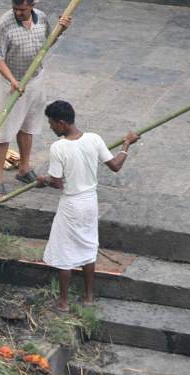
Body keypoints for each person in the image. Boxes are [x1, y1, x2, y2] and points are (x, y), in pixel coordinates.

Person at [37, 100, 140, 312]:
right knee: (88, 246)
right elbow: (115, 166)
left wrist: (44, 180)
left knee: (64, 252)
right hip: (91, 202)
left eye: (52, 123)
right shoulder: (94, 139)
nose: (50, 127)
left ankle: (64, 302)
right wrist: (126, 145)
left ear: (62, 123)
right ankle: (88, 298)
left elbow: (57, 182)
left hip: (72, 203)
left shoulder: (58, 147)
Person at [0, 0, 71, 199]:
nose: (18, 13)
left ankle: (24, 169)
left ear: (32, 6)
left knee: (28, 126)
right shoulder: (5, 23)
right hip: (12, 83)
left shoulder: (41, 18)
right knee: (4, 133)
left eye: (22, 9)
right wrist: (12, 80)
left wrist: (60, 30)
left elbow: (46, 44)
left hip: (35, 79)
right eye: (15, 9)